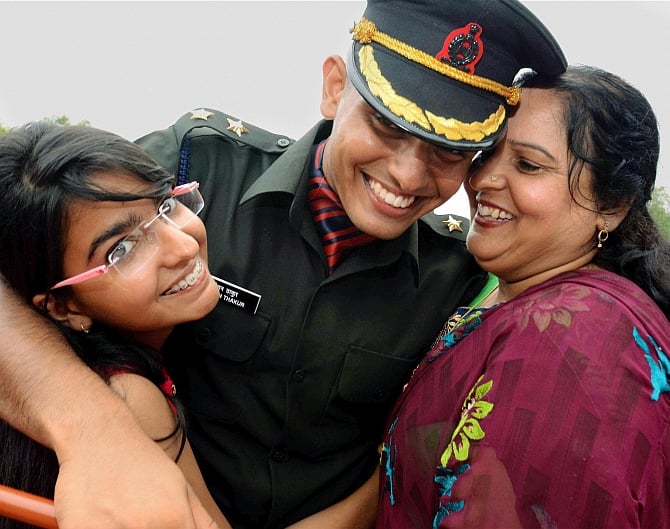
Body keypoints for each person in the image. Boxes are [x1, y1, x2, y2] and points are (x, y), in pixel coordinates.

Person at [0, 1, 567, 528]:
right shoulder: (197, 164)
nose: (409, 176)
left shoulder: (461, 276)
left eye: (447, 150)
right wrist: (92, 430)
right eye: (387, 127)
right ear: (334, 87)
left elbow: (417, 444)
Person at [375, 64, 670, 529]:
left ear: (610, 206)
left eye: (528, 165)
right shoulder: (513, 296)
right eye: (486, 153)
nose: (483, 179)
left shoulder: (572, 339)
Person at [0, 122, 230, 529]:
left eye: (165, 206)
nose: (184, 245)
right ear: (63, 307)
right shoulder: (130, 398)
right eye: (121, 249)